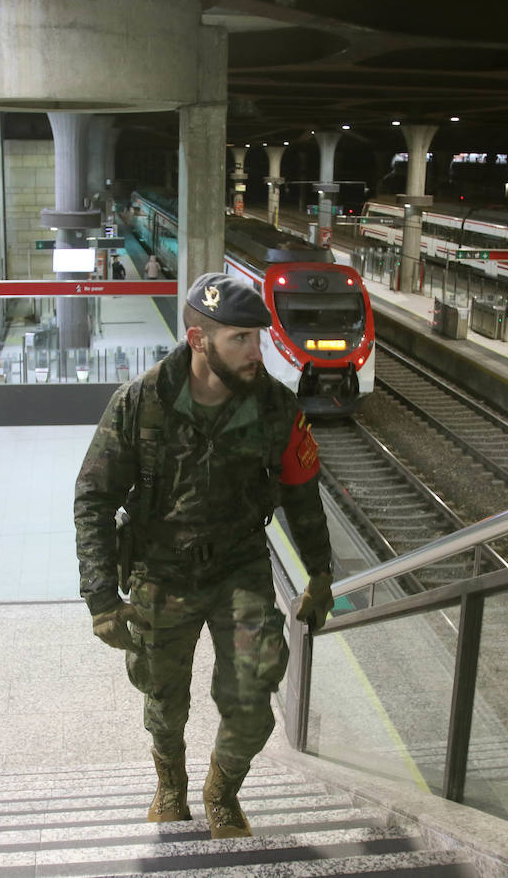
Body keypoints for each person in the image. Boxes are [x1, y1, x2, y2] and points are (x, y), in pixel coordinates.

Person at [75, 272, 334, 839]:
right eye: (239, 339)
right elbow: (93, 495)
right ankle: (169, 783)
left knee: (254, 690)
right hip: (159, 570)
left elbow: (301, 491)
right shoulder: (141, 403)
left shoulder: (275, 407)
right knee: (163, 694)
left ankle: (222, 790)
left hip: (239, 567)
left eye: (257, 338)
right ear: (198, 340)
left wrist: (320, 574)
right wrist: (100, 598)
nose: (254, 352)